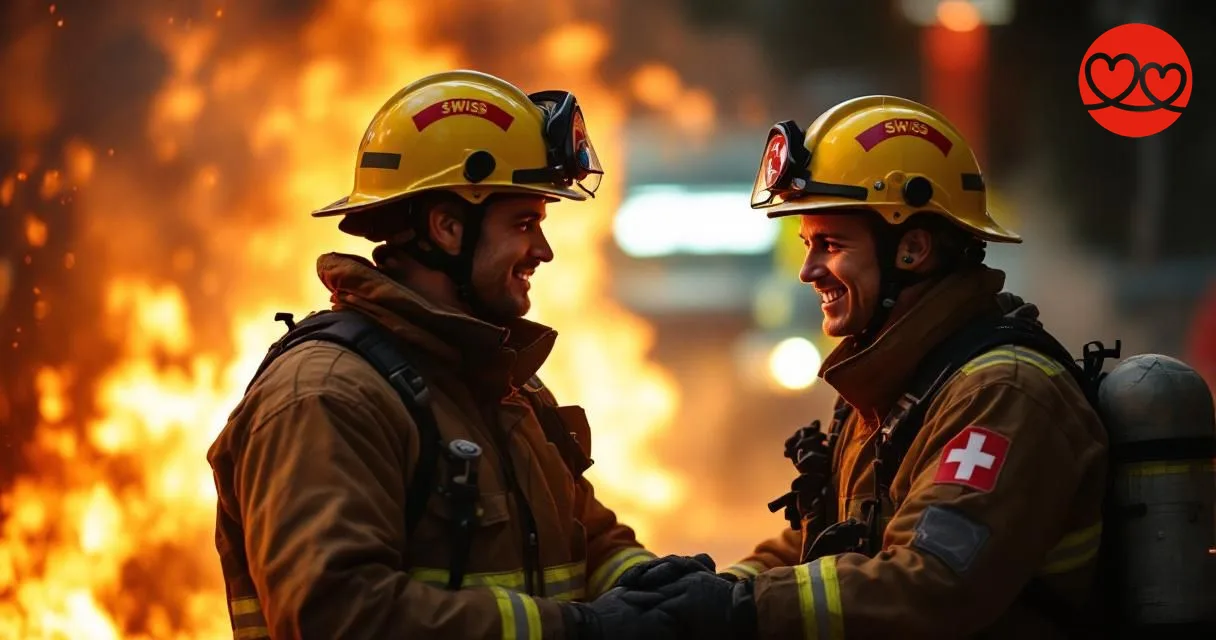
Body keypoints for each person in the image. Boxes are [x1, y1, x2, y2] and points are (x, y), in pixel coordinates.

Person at [617, 95, 1110, 639]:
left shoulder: (1002, 396)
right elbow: (822, 542)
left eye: (829, 244)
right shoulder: (895, 385)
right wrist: (711, 589)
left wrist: (741, 608)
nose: (809, 270)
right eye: (807, 244)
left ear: (913, 248)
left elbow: (933, 584)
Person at [206, 70, 671, 640]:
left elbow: (586, 537)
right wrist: (578, 630)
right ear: (448, 227)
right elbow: (340, 617)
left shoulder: (500, 385)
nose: (544, 251)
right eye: (525, 223)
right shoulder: (328, 396)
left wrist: (660, 587)